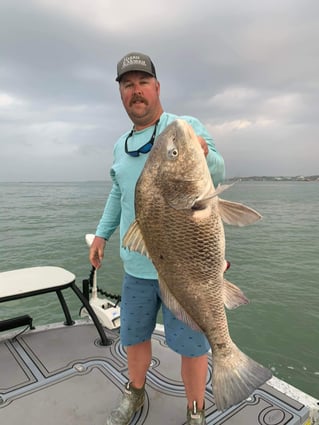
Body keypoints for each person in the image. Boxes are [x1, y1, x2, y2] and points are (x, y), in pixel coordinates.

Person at [89, 52, 225, 425]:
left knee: (193, 347)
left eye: (142, 82)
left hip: (185, 271)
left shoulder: (184, 126)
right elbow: (118, 193)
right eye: (127, 84)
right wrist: (102, 234)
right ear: (121, 94)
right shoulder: (120, 145)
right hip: (137, 268)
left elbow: (217, 169)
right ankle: (135, 392)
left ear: (157, 87)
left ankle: (195, 411)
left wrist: (201, 150)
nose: (136, 91)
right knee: (133, 338)